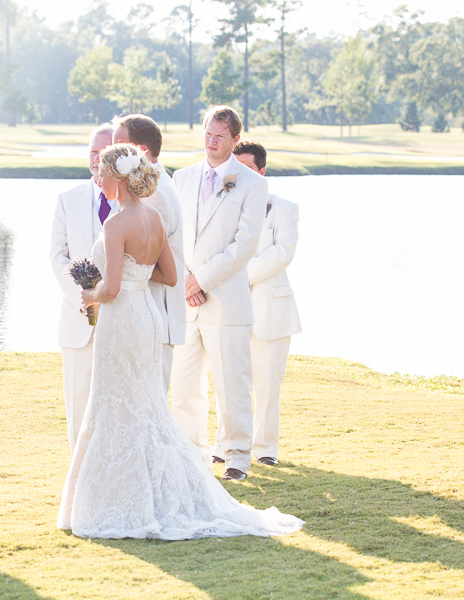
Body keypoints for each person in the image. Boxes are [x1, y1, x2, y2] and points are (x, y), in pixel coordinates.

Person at [57, 143, 302, 540]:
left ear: (118, 179)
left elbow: (113, 288)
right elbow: (170, 276)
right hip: (149, 319)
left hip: (122, 322)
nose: (97, 180)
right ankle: (157, 491)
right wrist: (136, 275)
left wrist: (90, 294)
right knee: (146, 406)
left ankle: (115, 501)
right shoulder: (153, 218)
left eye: (101, 174)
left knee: (113, 404)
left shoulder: (116, 224)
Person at [171, 105, 268, 482]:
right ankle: (190, 454)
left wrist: (201, 280)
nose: (211, 143)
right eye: (208, 135)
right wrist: (184, 280)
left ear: (235, 140)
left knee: (233, 383)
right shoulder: (182, 177)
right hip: (185, 300)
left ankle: (237, 457)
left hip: (226, 301)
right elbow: (171, 235)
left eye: (219, 137)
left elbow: (245, 245)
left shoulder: (252, 184)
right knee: (183, 384)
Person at [213, 141, 301, 466]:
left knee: (267, 386)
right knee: (229, 380)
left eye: (248, 170)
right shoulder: (222, 208)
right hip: (229, 310)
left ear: (262, 172)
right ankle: (226, 446)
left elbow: (283, 253)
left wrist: (237, 274)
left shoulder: (285, 209)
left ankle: (265, 449)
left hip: (271, 311)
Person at [49, 123, 115, 452]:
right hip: (77, 322)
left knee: (117, 404)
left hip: (120, 319)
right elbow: (57, 255)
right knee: (77, 403)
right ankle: (79, 472)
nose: (95, 158)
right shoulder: (67, 199)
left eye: (102, 152)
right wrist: (81, 297)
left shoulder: (134, 201)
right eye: (91, 151)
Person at [111, 114, 185, 393]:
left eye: (119, 144)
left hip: (154, 312)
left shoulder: (156, 194)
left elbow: (144, 261)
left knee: (151, 403)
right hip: (142, 313)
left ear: (141, 151)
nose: (111, 151)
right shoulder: (150, 187)